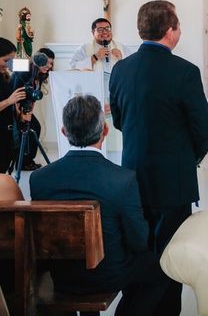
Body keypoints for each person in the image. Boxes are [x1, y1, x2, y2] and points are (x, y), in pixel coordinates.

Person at [109, 0, 208, 316]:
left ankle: (136, 299)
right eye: (179, 26)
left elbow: (117, 119)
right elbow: (204, 127)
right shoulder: (185, 71)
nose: (180, 31)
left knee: (139, 247)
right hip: (173, 179)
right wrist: (189, 158)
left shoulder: (120, 68)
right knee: (171, 252)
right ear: (170, 31)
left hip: (132, 175)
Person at [29, 95, 169, 315]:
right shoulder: (122, 179)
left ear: (64, 132)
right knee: (161, 269)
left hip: (61, 276)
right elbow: (139, 241)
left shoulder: (39, 179)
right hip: (108, 274)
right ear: (105, 130)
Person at [10, 49, 54, 171]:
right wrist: (20, 116)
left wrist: (29, 112)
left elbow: (33, 98)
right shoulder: (24, 73)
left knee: (35, 127)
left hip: (25, 106)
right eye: (47, 63)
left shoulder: (38, 76)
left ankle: (27, 161)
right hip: (13, 105)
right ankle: (21, 162)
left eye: (51, 64)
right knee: (23, 131)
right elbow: (14, 96)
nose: (49, 66)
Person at [0, 38, 27, 173]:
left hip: (8, 134)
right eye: (6, 60)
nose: (8, 65)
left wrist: (17, 110)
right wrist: (9, 101)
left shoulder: (3, 76)